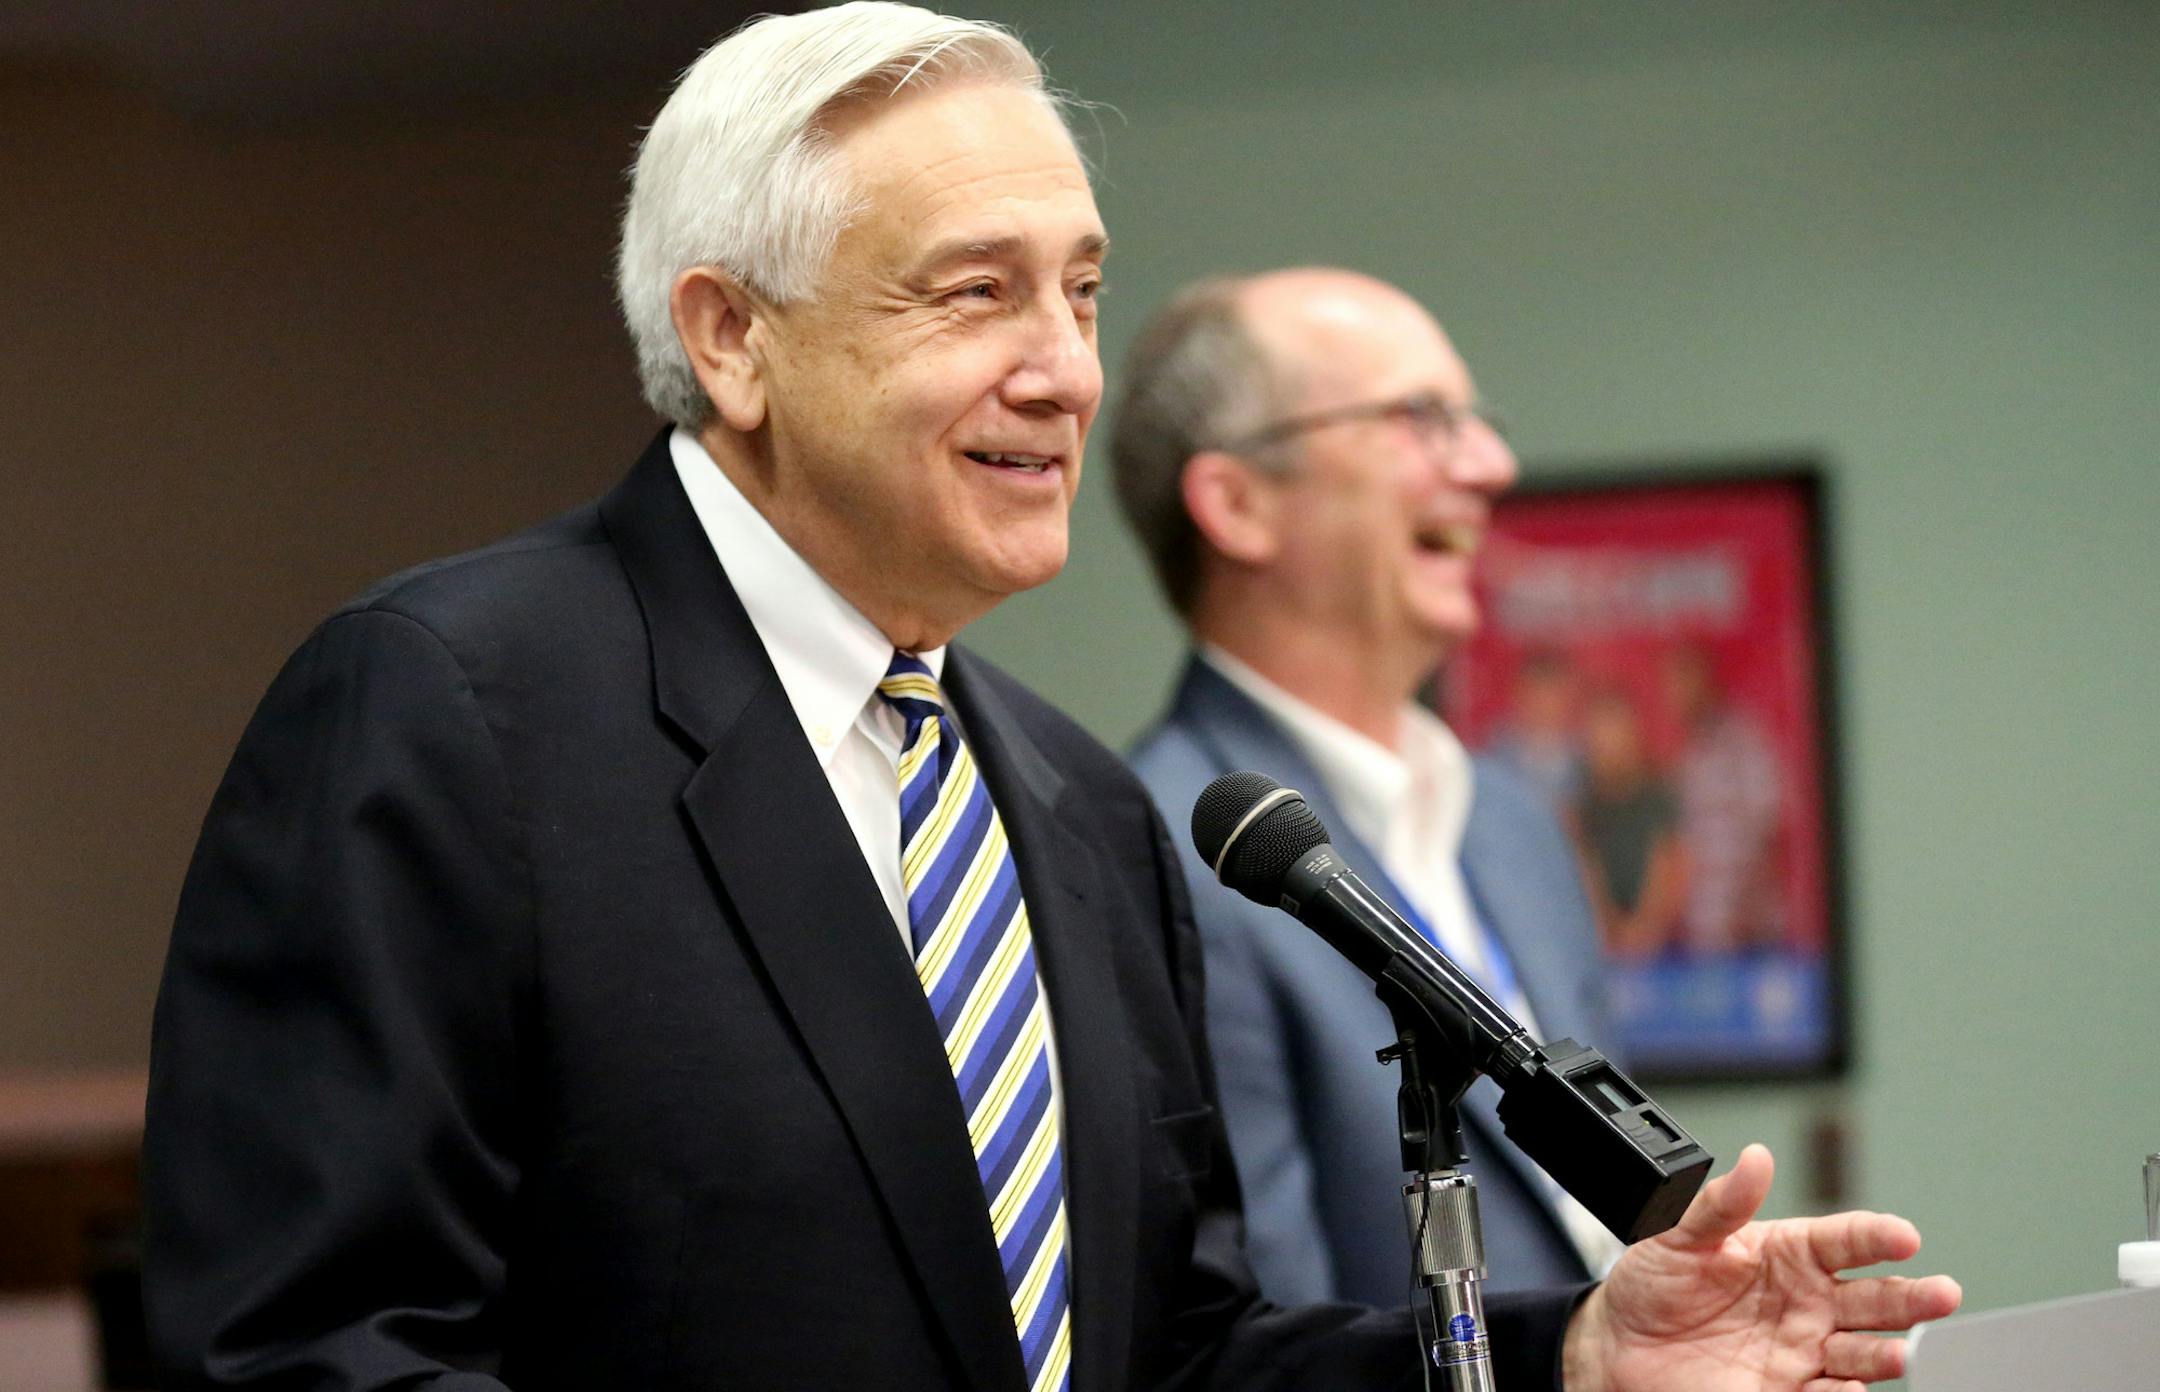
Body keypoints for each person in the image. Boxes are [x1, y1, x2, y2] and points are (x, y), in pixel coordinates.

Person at [144, 8, 1957, 1390]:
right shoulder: (447, 712)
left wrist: (1571, 1356)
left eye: (1082, 292)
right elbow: (307, 1352)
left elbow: (1179, 1352)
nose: (1069, 370)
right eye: (976, 294)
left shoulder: (1085, 808)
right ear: (731, 337)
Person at [1114, 269, 1625, 1300]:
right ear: (1238, 503)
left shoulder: (1514, 824)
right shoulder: (1152, 854)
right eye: (1423, 418)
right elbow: (1267, 1332)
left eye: (1477, 423)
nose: (1491, 465)